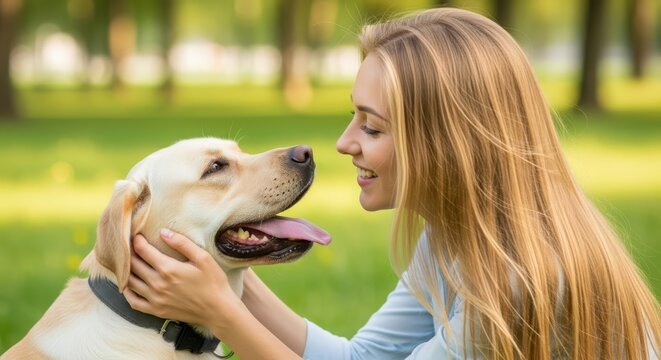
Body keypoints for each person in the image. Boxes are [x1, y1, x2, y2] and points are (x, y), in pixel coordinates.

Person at [123, 7, 661, 359]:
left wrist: (219, 312)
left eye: (373, 126)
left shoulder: (520, 274)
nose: (344, 142)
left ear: (447, 142)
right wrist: (225, 271)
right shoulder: (453, 236)